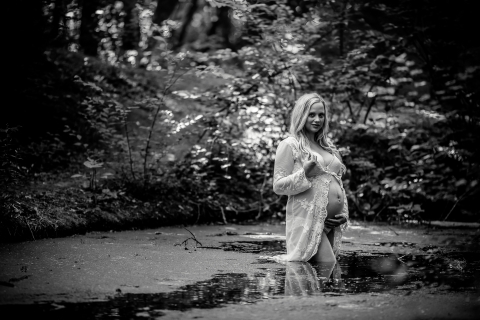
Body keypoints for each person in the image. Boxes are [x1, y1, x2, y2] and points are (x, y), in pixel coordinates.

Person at [272, 93, 348, 263]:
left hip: (330, 221)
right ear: (302, 115)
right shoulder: (290, 144)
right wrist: (304, 173)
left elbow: (336, 183)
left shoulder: (328, 148)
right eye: (311, 114)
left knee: (322, 280)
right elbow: (278, 186)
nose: (317, 119)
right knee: (326, 265)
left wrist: (343, 213)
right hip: (308, 220)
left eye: (321, 115)